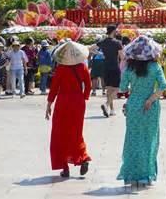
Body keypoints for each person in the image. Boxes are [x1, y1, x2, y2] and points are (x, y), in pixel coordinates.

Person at [118, 35, 166, 187]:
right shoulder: (155, 67)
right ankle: (146, 175)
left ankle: (130, 174)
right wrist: (150, 99)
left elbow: (122, 89)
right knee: (149, 139)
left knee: (132, 139)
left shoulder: (129, 69)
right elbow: (163, 86)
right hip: (151, 107)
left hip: (133, 104)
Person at [45, 40, 92, 178]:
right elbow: (88, 86)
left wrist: (49, 103)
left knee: (60, 133)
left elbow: (54, 88)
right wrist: (83, 97)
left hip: (63, 102)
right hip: (78, 102)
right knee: (76, 132)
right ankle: (83, 157)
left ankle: (65, 168)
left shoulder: (61, 68)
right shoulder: (82, 67)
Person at [98, 25, 125, 117]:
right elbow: (122, 57)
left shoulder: (103, 42)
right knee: (117, 88)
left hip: (105, 67)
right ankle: (106, 104)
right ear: (113, 31)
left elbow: (94, 48)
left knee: (109, 89)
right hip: (114, 67)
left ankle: (111, 110)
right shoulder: (117, 42)